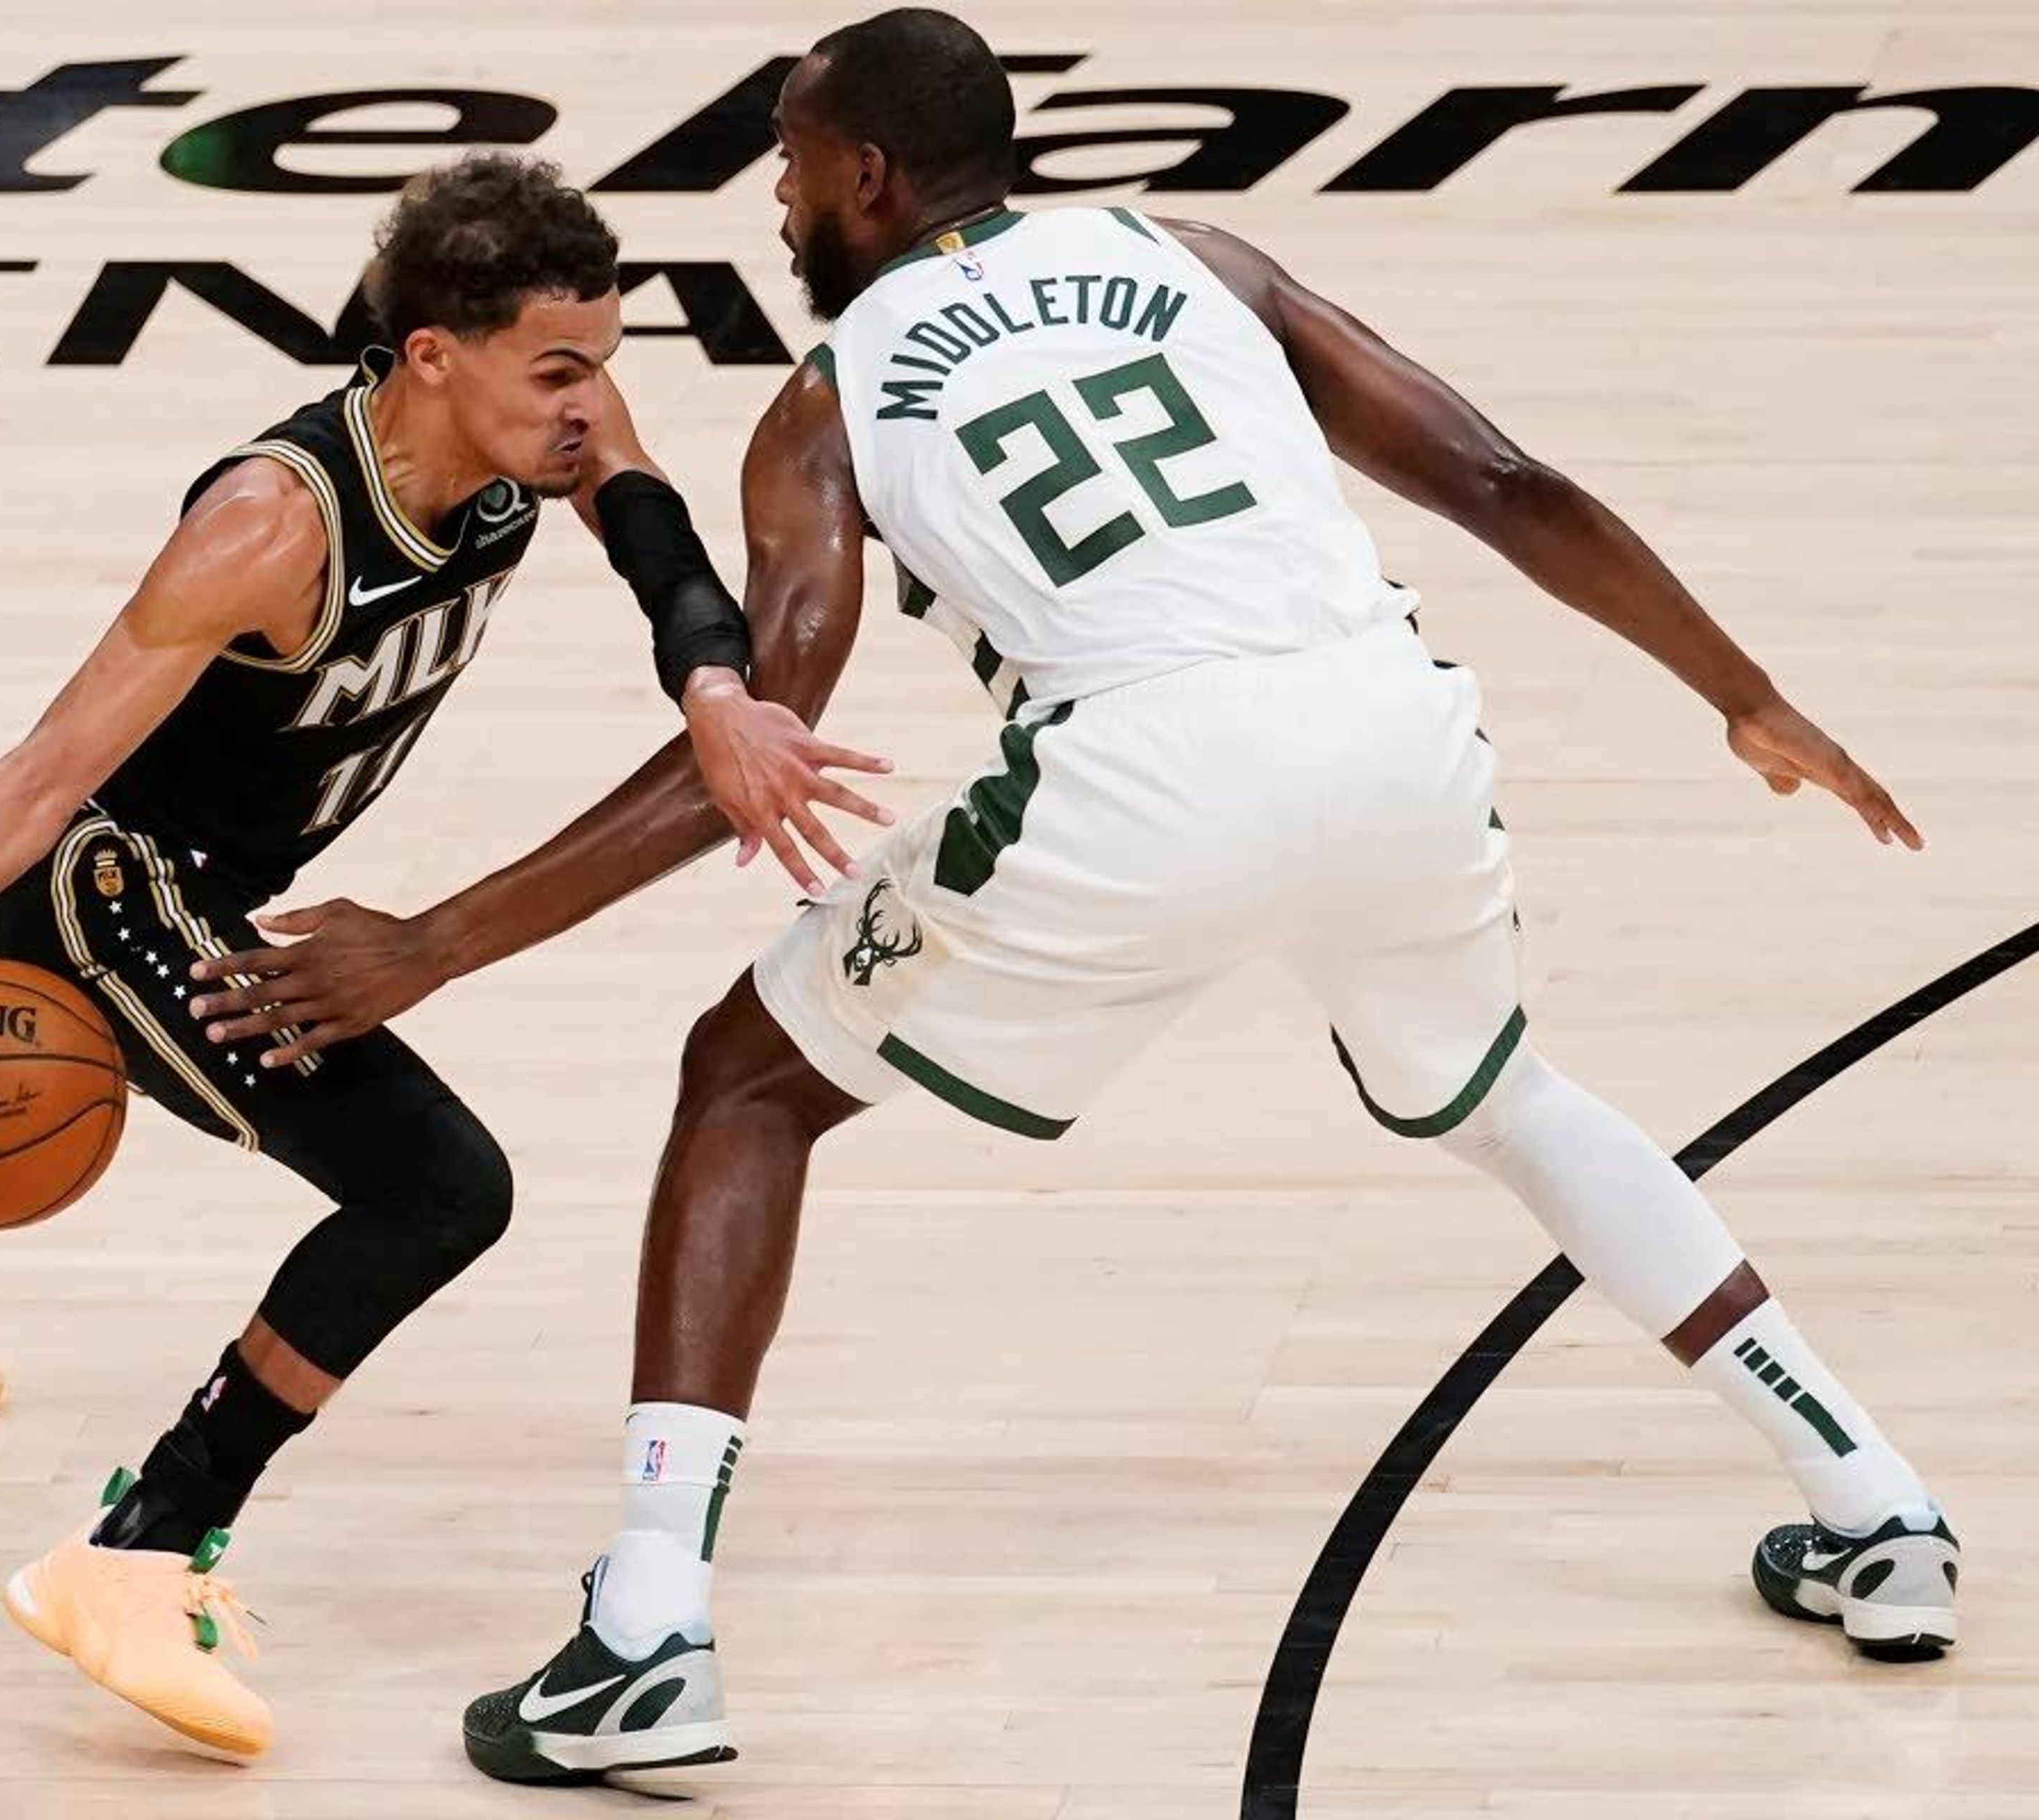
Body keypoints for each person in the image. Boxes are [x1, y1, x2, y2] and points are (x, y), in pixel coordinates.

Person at [319, 10, 1943, 1782]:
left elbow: (764, 733)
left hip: (1140, 774)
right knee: (1512, 1095)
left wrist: (435, 940)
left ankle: (646, 1624)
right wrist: (1741, 690)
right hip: (1392, 729)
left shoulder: (828, 396)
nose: (780, 201)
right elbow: (1499, 480)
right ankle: (1872, 1497)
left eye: (791, 163)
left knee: (749, 1080)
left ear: (867, 173)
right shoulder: (1196, 254)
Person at [0, 151, 889, 1760]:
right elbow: (43, 771)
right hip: (113, 885)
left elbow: (657, 545)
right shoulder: (271, 522)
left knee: (20, 1112)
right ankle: (142, 1546)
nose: (595, 399)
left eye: (601, 354)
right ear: (431, 356)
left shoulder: (541, 425)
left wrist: (717, 692)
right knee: (438, 1186)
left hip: (226, 877)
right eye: (561, 365)